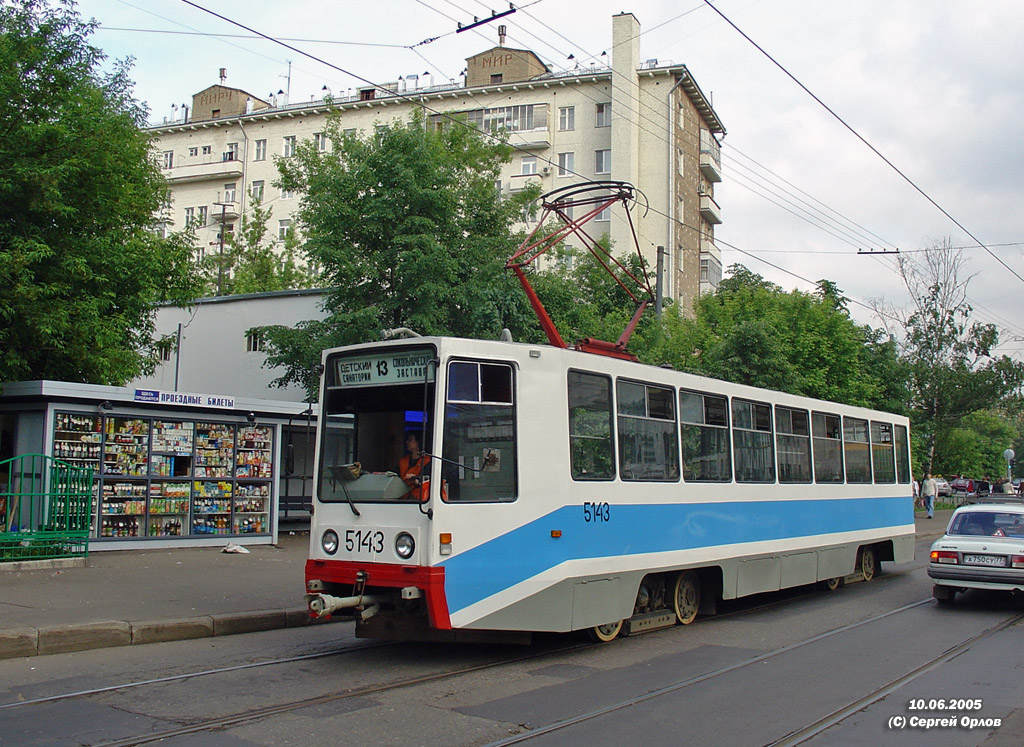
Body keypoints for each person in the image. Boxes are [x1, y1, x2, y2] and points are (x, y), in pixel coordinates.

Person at [398, 431, 430, 501]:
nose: (407, 442)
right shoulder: (403, 461)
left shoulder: (428, 461)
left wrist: (415, 480)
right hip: (401, 497)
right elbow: (394, 475)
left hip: (419, 500)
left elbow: (427, 480)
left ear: (418, 442)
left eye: (410, 440)